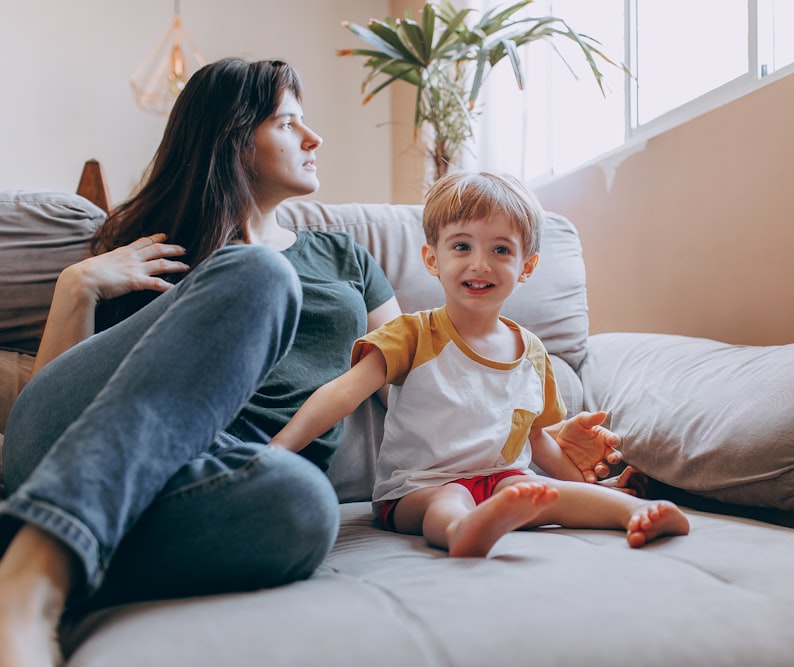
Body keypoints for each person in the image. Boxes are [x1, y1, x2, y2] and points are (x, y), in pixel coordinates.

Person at [0, 59, 620, 667]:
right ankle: (30, 584)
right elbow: (46, 421)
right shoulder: (154, 249)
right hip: (75, 454)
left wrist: (533, 426)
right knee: (260, 272)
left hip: (217, 480)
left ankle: (31, 540)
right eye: (288, 122)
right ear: (233, 138)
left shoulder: (341, 257)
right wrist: (77, 287)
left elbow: (421, 372)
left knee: (307, 506)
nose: (313, 137)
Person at [271, 171, 690, 557]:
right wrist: (279, 449)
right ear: (433, 259)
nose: (480, 263)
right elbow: (341, 394)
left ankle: (632, 513)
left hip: (501, 480)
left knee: (544, 491)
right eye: (461, 246)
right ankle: (464, 532)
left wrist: (582, 484)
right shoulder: (412, 334)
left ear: (526, 267)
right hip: (418, 488)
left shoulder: (532, 352)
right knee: (448, 501)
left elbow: (538, 441)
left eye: (501, 249)